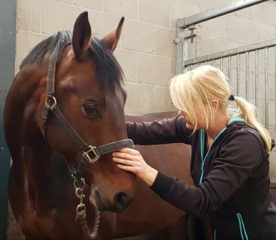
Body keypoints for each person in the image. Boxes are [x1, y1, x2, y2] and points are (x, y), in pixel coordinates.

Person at [112, 65, 276, 240]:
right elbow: (144, 131)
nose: (181, 112)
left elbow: (203, 201)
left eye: (187, 106)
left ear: (212, 106)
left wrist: (146, 171)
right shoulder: (198, 128)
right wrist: (97, 121)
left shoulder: (243, 143)